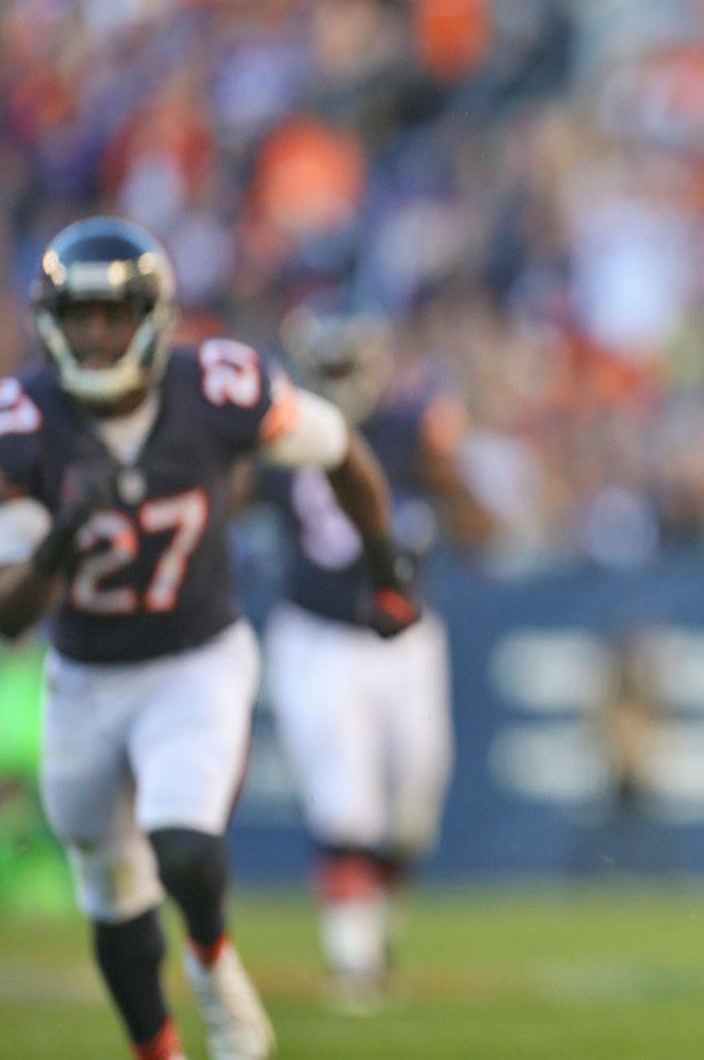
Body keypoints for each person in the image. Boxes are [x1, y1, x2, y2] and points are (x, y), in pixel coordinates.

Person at [0, 218, 420, 1060]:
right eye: (79, 317)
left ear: (152, 317)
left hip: (196, 657)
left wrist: (384, 571)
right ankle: (157, 1048)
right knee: (111, 895)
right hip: (83, 676)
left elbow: (341, 451)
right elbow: (9, 619)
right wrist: (57, 539)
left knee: (184, 843)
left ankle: (212, 964)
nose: (94, 334)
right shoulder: (27, 424)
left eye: (111, 315)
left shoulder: (216, 387)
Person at [255, 307, 491, 1010]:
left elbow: (483, 528)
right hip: (318, 635)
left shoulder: (412, 428)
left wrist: (449, 469)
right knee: (346, 804)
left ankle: (377, 934)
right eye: (323, 366)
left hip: (407, 639)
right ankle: (354, 965)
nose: (336, 380)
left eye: (343, 364)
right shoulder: (277, 435)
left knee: (413, 809)